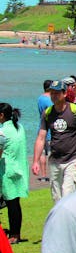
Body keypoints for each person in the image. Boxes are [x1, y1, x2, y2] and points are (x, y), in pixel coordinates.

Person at [32, 80, 76, 202]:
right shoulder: (47, 113)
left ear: (64, 94)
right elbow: (41, 137)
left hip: (73, 159)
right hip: (55, 161)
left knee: (68, 194)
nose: (54, 96)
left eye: (57, 93)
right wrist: (36, 161)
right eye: (52, 93)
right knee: (57, 198)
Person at [0, 104, 28, 244]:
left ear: (1, 115)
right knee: (15, 204)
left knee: (11, 204)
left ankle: (13, 236)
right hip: (20, 170)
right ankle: (15, 233)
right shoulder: (19, 127)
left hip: (7, 171)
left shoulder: (3, 131)